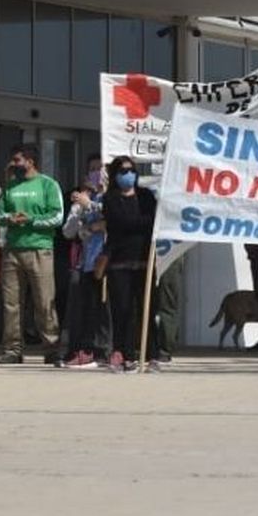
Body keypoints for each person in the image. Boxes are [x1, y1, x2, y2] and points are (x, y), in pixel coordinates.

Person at [0, 143, 64, 365]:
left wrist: (31, 220)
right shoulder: (8, 186)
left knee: (44, 300)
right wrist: (9, 219)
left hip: (40, 249)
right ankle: (13, 350)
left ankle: (51, 347)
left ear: (30, 162)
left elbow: (57, 217)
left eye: (17, 160)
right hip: (12, 249)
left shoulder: (48, 185)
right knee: (11, 303)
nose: (12, 165)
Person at [102, 156, 158, 372]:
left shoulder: (145, 196)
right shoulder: (111, 199)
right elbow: (119, 223)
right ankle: (124, 353)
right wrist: (140, 222)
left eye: (131, 170)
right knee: (122, 310)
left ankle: (151, 353)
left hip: (144, 259)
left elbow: (152, 219)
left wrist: (140, 223)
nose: (128, 175)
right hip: (119, 262)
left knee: (147, 309)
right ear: (116, 175)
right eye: (123, 171)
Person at [61, 180, 107, 368]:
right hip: (85, 263)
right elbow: (68, 232)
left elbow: (112, 218)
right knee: (83, 310)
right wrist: (79, 213)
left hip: (106, 260)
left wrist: (91, 206)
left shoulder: (107, 200)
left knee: (104, 311)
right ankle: (82, 350)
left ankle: (103, 351)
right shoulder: (79, 206)